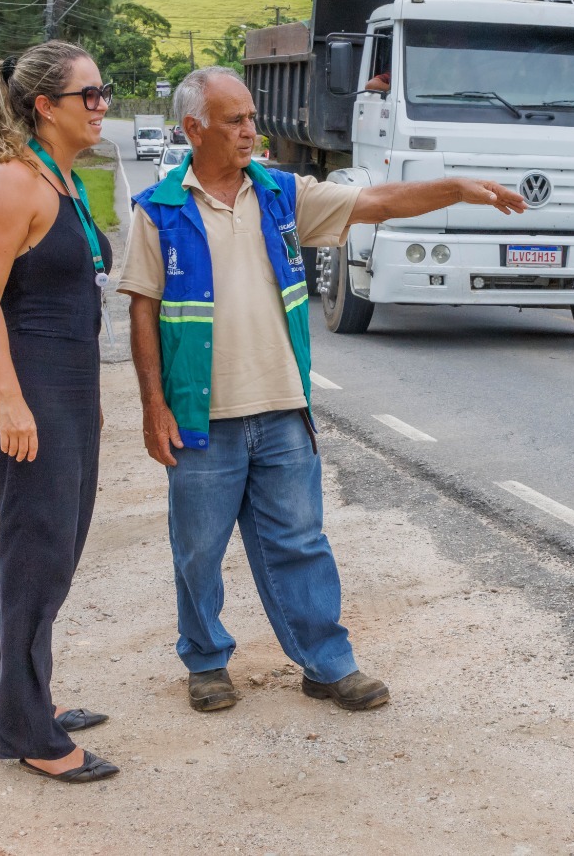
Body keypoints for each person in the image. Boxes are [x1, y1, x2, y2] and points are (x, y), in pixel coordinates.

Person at [118, 66, 525, 714]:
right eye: (236, 120)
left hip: (281, 410)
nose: (252, 129)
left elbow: (376, 203)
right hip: (201, 417)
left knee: (302, 543)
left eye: (252, 116)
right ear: (194, 129)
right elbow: (141, 310)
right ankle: (205, 661)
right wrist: (152, 407)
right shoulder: (158, 212)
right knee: (198, 551)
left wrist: (456, 190)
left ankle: (327, 664)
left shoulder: (282, 196)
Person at [0, 41, 120, 784]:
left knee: (50, 556)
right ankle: (30, 735)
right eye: (88, 95)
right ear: (44, 106)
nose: (101, 106)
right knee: (36, 558)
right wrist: (11, 401)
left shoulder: (63, 180)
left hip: (67, 391)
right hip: (27, 393)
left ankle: (24, 703)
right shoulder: (11, 182)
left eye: (104, 92)